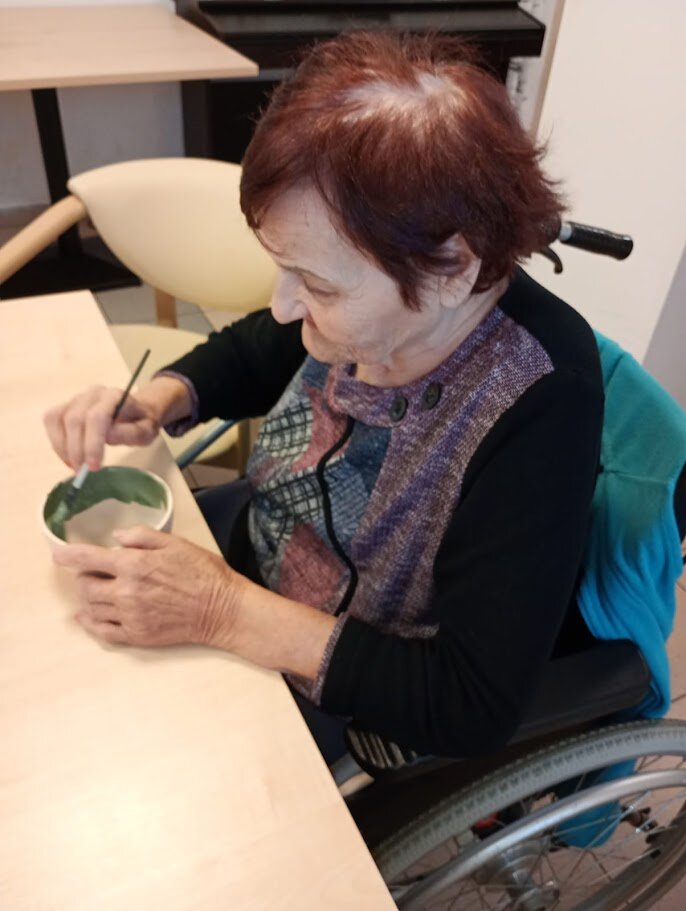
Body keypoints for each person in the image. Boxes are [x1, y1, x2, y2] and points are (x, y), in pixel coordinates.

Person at [44, 31, 603, 765]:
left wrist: (221, 609)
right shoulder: (377, 304)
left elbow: (469, 703)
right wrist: (157, 400)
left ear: (453, 269)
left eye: (317, 285)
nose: (283, 305)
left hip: (343, 684)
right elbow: (267, 345)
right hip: (252, 553)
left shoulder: (539, 395)